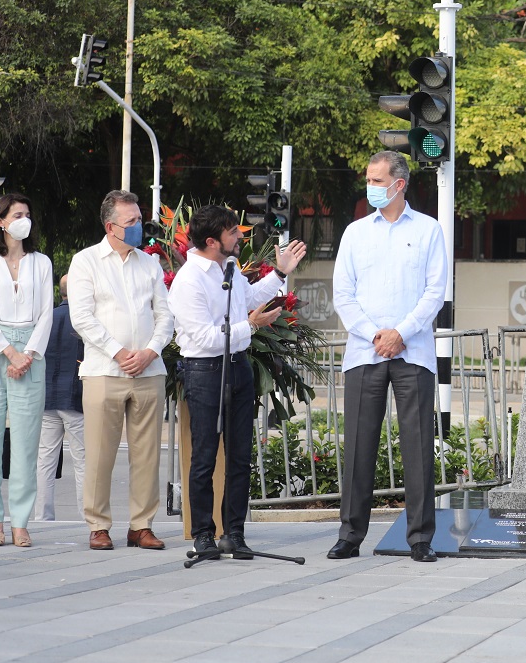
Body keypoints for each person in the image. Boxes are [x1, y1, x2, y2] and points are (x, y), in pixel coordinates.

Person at [168, 206, 306, 560]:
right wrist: (252, 326)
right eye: (233, 232)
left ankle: (234, 533)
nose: (240, 236)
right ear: (212, 241)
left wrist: (279, 273)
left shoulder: (228, 268)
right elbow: (204, 338)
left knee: (240, 456)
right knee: (204, 457)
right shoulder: (189, 280)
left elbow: (249, 298)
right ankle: (203, 534)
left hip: (239, 368)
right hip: (205, 371)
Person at [328, 150, 447, 562]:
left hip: (413, 353)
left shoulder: (430, 230)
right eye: (369, 179)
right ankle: (349, 535)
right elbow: (342, 294)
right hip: (365, 352)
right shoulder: (355, 232)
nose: (370, 186)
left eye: (377, 181)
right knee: (359, 447)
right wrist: (375, 335)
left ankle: (419, 539)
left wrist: (401, 333)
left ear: (399, 184)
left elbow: (435, 292)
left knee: (417, 446)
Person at [69, 190, 174, 551]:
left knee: (147, 454)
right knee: (99, 453)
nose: (138, 228)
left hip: (149, 371)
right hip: (103, 371)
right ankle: (98, 526)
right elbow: (82, 317)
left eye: (139, 221)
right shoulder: (86, 262)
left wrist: (149, 351)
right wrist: (119, 352)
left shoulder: (150, 264)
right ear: (110, 226)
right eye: (130, 223)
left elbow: (165, 315)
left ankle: (141, 526)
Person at [0, 194, 54, 547]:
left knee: (25, 442)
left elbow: (47, 312)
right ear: (1, 221)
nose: (24, 219)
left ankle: (20, 520)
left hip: (31, 356)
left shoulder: (42, 262)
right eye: (17, 214)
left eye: (28, 214)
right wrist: (8, 352)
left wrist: (27, 353)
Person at [34, 275, 86, 521]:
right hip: (75, 397)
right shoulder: (83, 320)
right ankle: (88, 518)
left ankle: (42, 516)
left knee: (45, 460)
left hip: (47, 396)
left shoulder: (47, 319)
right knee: (82, 461)